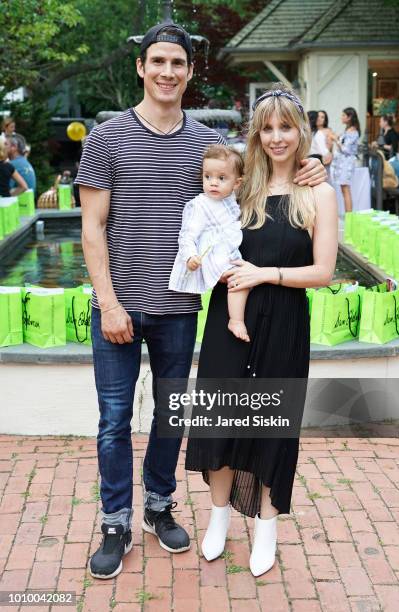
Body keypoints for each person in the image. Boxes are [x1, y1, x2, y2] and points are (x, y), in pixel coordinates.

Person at [75, 22, 327, 581]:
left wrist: (317, 165)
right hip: (119, 304)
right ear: (141, 67)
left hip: (181, 308)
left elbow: (269, 166)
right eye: (158, 62)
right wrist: (109, 303)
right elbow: (92, 229)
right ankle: (115, 521)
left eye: (178, 64)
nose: (168, 72)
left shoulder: (204, 145)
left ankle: (158, 507)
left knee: (171, 416)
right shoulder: (107, 136)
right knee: (115, 419)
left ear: (189, 72)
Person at [185, 83, 338, 577]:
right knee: (220, 418)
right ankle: (219, 517)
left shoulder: (318, 191)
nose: (277, 137)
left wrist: (266, 274)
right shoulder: (242, 182)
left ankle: (267, 526)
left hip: (285, 321)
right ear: (257, 132)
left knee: (274, 425)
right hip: (231, 318)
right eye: (267, 127)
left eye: (286, 127)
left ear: (301, 131)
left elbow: (323, 273)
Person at [169, 144, 250, 342]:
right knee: (239, 280)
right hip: (212, 256)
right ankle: (236, 320)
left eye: (221, 178)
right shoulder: (200, 205)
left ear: (237, 183)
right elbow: (187, 235)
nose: (213, 183)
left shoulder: (232, 199)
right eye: (208, 177)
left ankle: (237, 318)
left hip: (228, 252)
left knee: (243, 279)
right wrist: (190, 256)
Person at [331, 107, 360, 212]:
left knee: (346, 189)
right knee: (344, 189)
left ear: (349, 117)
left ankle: (349, 216)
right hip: (343, 163)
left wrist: (335, 140)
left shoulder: (353, 131)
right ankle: (348, 215)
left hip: (347, 164)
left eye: (344, 115)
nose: (341, 117)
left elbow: (345, 149)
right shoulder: (348, 130)